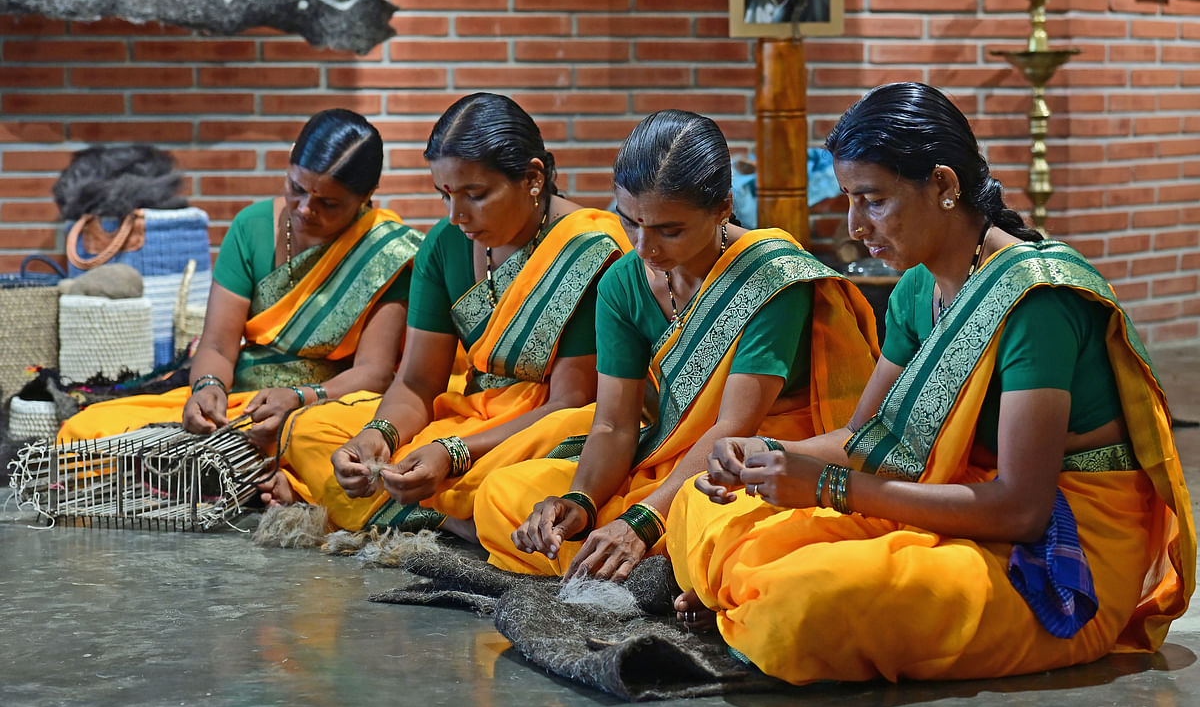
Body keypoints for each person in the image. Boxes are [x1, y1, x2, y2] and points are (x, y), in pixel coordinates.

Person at [668, 82, 1195, 685]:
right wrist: (766, 457)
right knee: (701, 507)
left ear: (944, 186)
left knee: (798, 605)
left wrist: (832, 489)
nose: (854, 225)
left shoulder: (1037, 302)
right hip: (950, 497)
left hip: (1055, 546)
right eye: (848, 198)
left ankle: (740, 602)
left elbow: (1023, 509)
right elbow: (870, 436)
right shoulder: (920, 285)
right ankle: (740, 599)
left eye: (872, 200)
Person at [475, 109, 878, 579]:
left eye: (670, 230)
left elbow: (732, 427)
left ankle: (651, 560)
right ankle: (648, 566)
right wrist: (580, 503)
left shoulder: (770, 277)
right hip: (667, 454)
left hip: (754, 461)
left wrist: (642, 521)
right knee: (504, 494)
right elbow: (613, 426)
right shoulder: (624, 283)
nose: (645, 246)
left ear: (723, 207)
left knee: (718, 531)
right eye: (630, 222)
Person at [274, 93, 630, 538]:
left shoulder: (589, 251)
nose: (456, 214)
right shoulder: (445, 244)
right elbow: (418, 382)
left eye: (475, 195)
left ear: (533, 178)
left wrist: (453, 453)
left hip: (541, 433)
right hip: (469, 419)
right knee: (311, 430)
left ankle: (446, 512)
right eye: (445, 194)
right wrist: (378, 436)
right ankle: (457, 519)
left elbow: (571, 402)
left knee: (517, 481)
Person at [58, 109, 422, 492]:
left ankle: (262, 474)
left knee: (328, 446)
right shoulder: (251, 227)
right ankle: (259, 475)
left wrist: (297, 398)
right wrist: (207, 389)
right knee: (84, 433)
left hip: (327, 405)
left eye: (329, 204)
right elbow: (217, 343)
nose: (305, 209)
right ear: (290, 160)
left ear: (366, 196)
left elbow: (375, 373)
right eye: (296, 188)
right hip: (245, 401)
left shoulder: (388, 252)